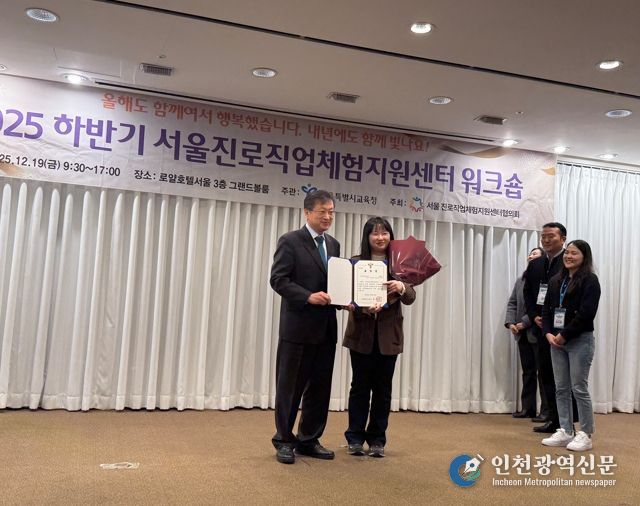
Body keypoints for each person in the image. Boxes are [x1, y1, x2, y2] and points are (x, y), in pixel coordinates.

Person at [269, 190, 340, 464]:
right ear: (307, 212)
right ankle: (284, 440)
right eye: (322, 211)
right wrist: (307, 296)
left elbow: (335, 285)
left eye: (331, 212)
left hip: (326, 329)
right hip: (297, 329)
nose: (328, 217)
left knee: (320, 389)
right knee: (290, 388)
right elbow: (278, 279)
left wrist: (346, 300)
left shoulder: (333, 245)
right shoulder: (290, 241)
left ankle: (309, 439)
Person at [342, 217, 416, 458]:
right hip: (361, 335)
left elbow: (411, 297)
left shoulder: (399, 264)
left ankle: (377, 440)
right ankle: (354, 438)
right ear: (367, 237)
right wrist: (360, 307)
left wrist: (401, 287)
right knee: (359, 387)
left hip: (388, 337)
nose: (380, 237)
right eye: (375, 233)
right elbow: (345, 296)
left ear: (390, 236)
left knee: (383, 390)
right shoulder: (355, 263)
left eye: (385, 233)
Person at [540, 240, 600, 451]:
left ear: (584, 256)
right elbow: (546, 311)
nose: (568, 256)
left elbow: (586, 314)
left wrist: (564, 335)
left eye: (574, 253)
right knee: (561, 388)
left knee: (579, 388)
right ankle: (566, 430)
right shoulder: (556, 280)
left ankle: (586, 434)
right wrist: (548, 333)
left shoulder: (590, 280)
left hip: (579, 341)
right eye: (567, 253)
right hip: (556, 341)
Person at [523, 222, 568, 433]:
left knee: (564, 378)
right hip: (541, 328)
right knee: (546, 374)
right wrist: (534, 316)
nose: (547, 240)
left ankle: (566, 422)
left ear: (563, 239)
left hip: (563, 329)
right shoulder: (536, 264)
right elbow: (528, 293)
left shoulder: (569, 261)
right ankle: (553, 419)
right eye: (543, 237)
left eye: (551, 236)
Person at [505, 247, 547, 419]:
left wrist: (525, 322)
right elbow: (512, 303)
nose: (531, 256)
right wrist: (511, 323)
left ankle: (546, 411)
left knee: (543, 373)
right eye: (530, 253)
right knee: (528, 372)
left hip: (538, 332)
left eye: (535, 254)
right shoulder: (521, 280)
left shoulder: (545, 279)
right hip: (521, 334)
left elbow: (540, 306)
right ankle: (527, 408)